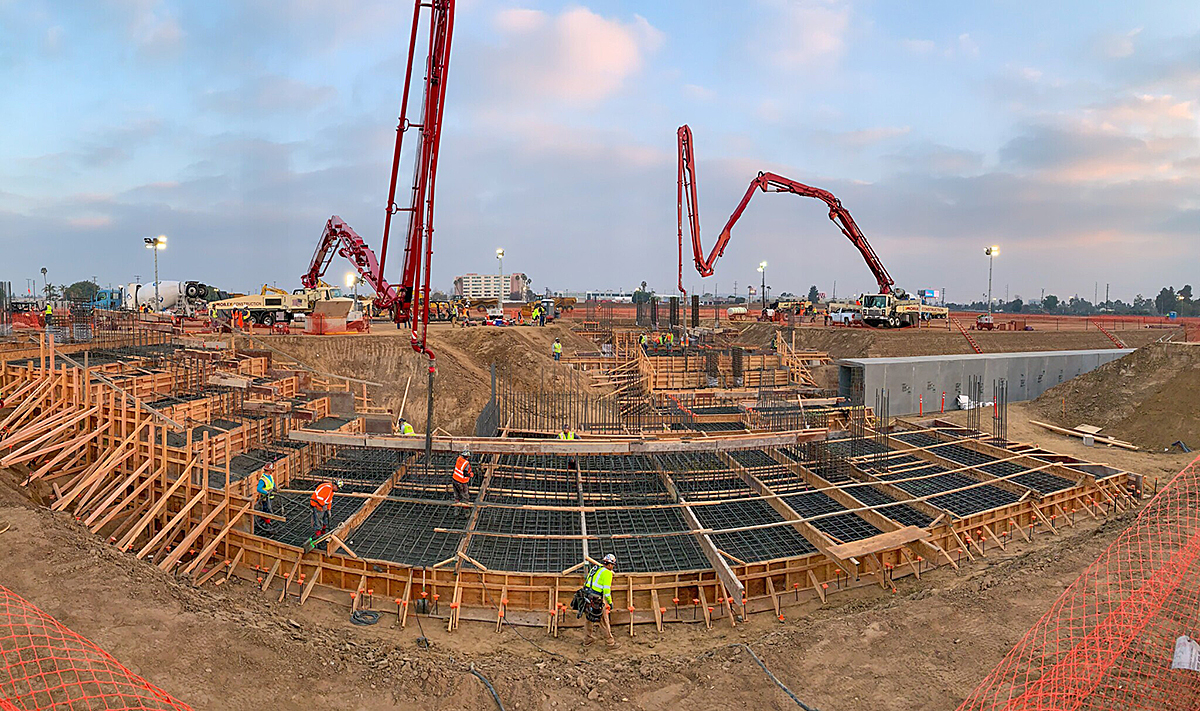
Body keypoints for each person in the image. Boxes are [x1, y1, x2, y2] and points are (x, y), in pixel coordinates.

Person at [582, 554, 617, 647]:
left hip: (587, 596)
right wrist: (610, 602)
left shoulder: (595, 568)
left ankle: (587, 639)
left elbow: (586, 582)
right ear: (609, 564)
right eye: (613, 565)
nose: (612, 567)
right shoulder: (607, 573)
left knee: (589, 618)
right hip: (596, 599)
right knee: (604, 620)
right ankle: (610, 643)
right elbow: (606, 591)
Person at [255, 467, 276, 534]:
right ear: (269, 470)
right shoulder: (263, 479)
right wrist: (266, 492)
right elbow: (259, 489)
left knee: (268, 509)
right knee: (267, 510)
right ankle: (266, 523)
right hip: (266, 498)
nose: (272, 471)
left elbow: (272, 483)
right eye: (272, 470)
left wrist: (275, 487)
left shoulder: (270, 476)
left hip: (271, 497)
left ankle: (264, 521)